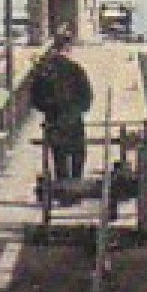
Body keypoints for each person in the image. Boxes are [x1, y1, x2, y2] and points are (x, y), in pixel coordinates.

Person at [31, 29, 93, 180]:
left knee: (60, 156)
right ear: (67, 49)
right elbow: (87, 97)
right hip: (73, 120)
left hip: (54, 120)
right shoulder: (76, 69)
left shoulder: (44, 71)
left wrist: (49, 108)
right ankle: (75, 185)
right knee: (77, 154)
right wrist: (75, 111)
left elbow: (36, 98)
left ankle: (63, 187)